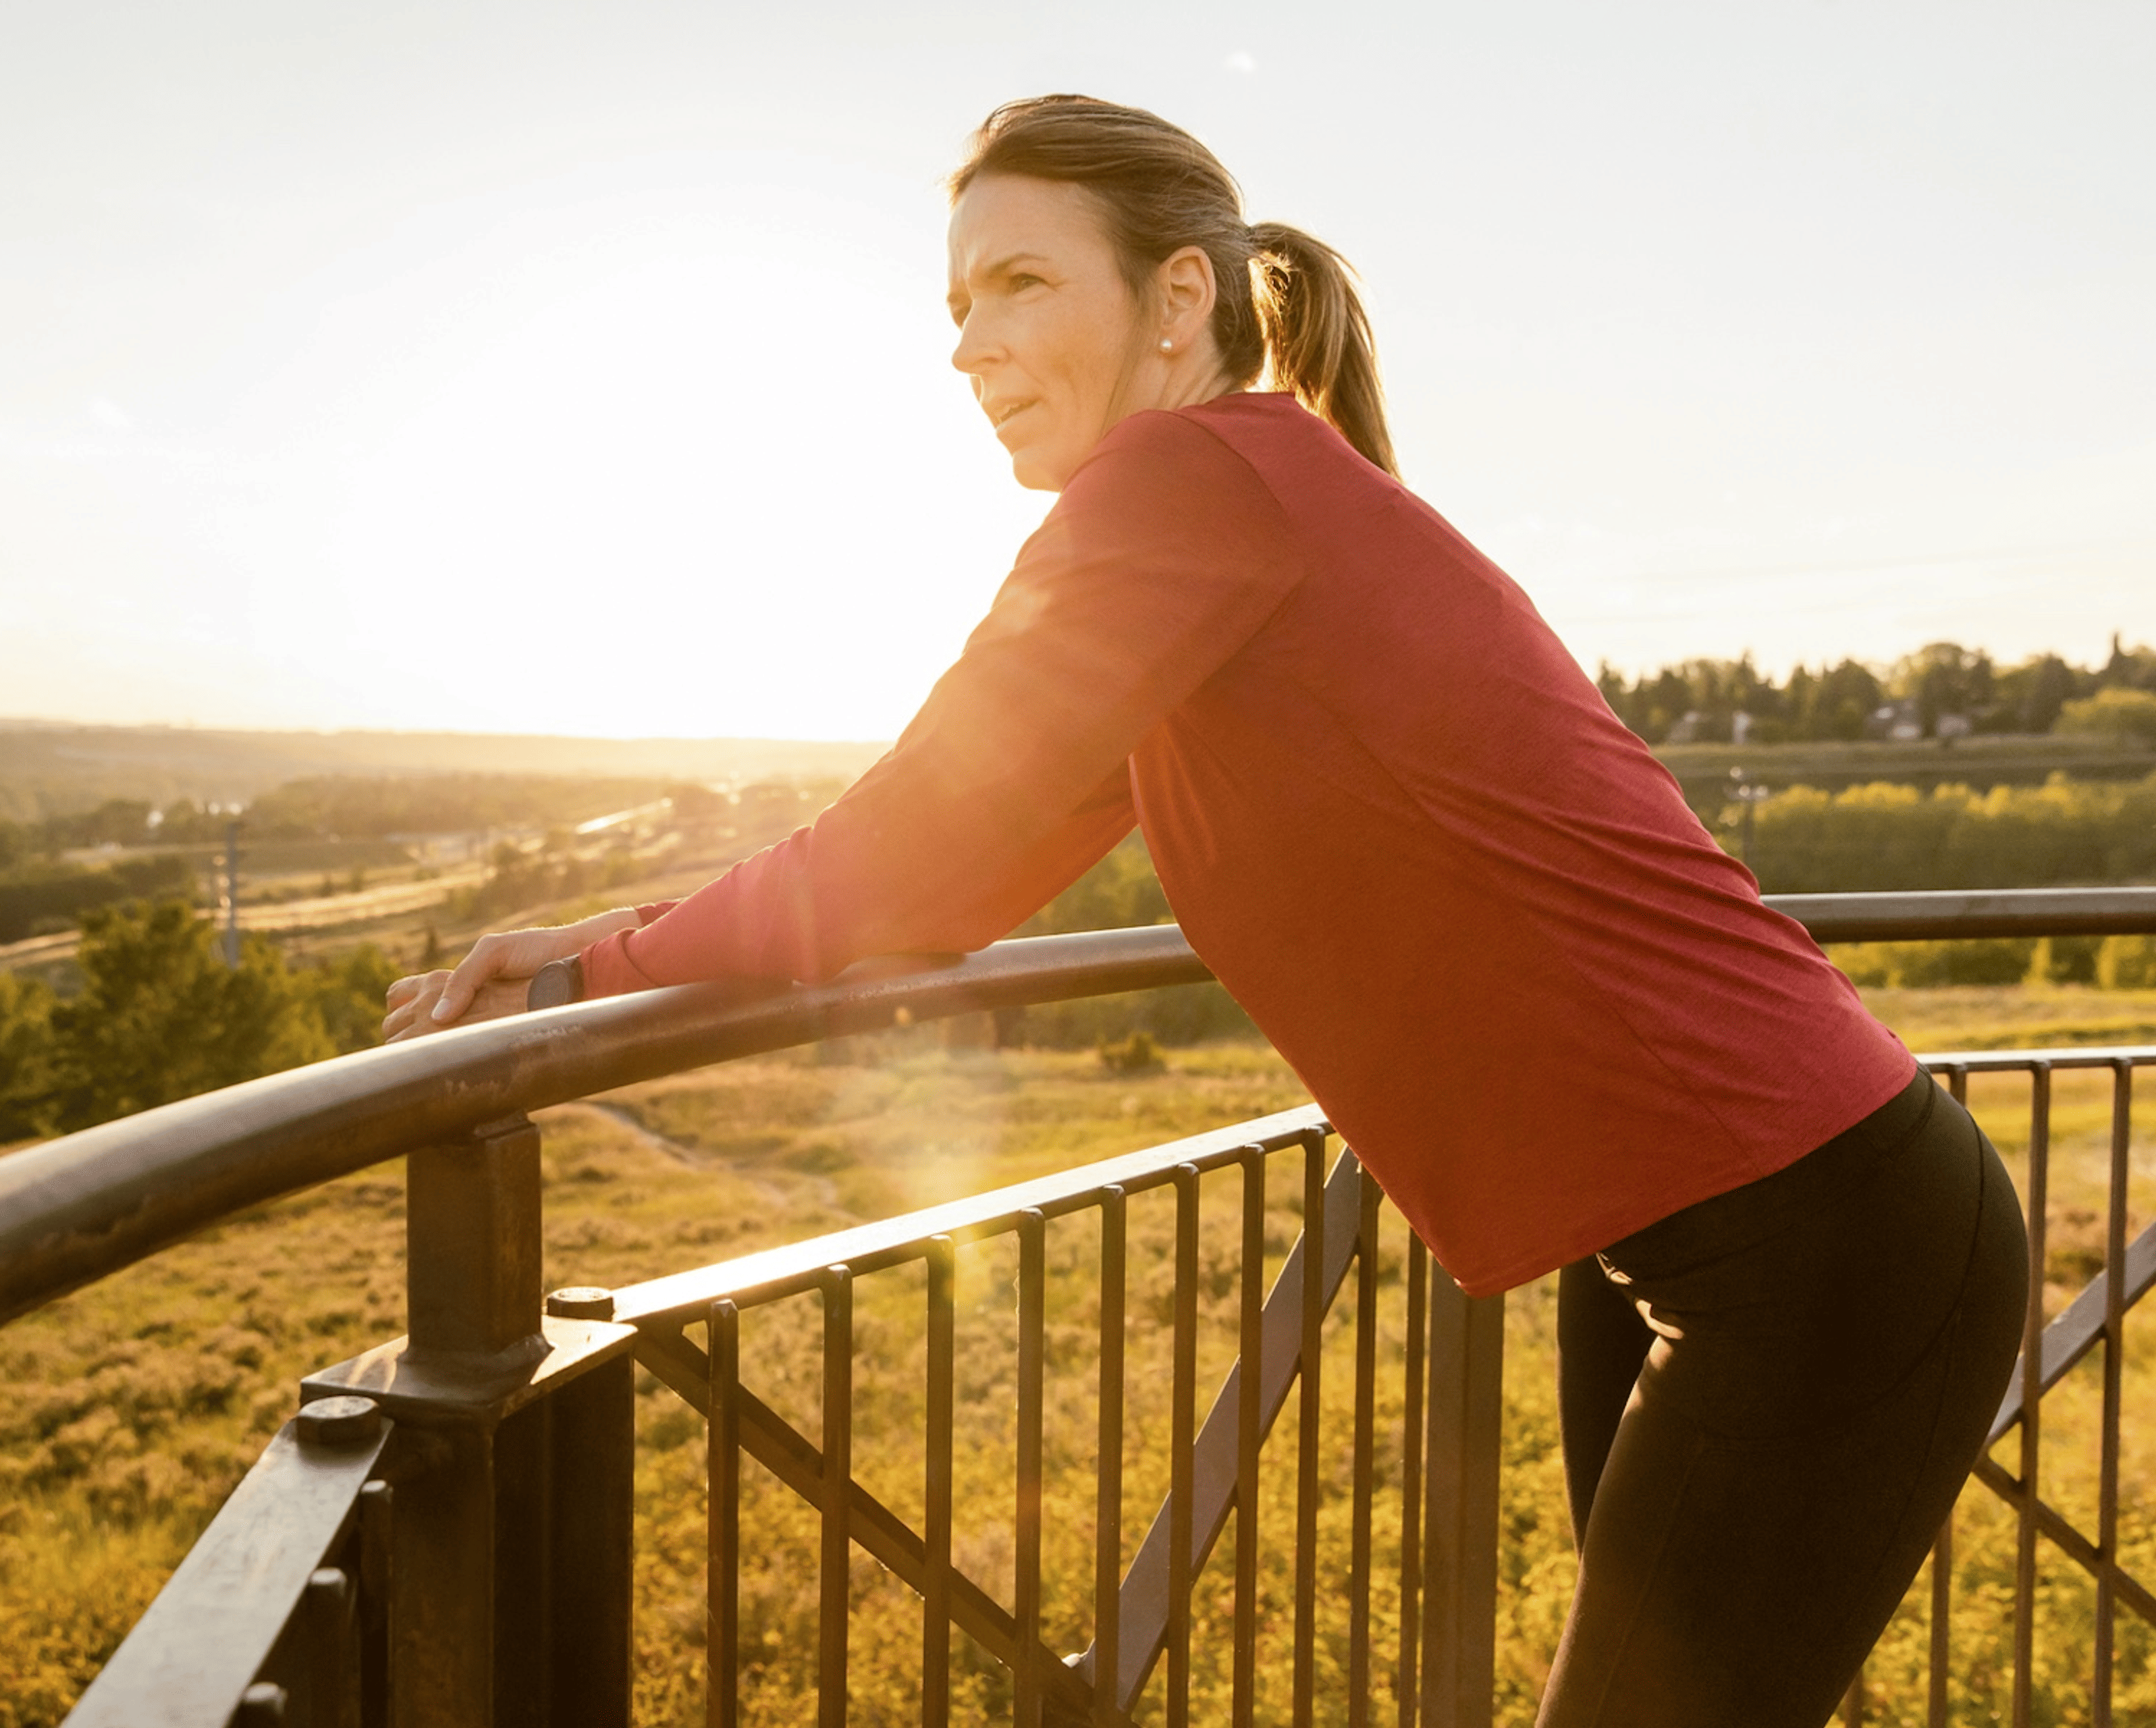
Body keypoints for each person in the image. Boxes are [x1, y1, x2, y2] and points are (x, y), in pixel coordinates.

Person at [381, 94, 2026, 1727]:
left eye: (1023, 285)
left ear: (1180, 300)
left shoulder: (1187, 485)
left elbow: (901, 852)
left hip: (1818, 1246)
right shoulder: (1236, 511)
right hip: (1711, 1234)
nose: (972, 344)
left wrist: (591, 967)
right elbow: (950, 864)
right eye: (959, 305)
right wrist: (622, 935)